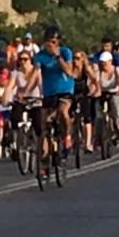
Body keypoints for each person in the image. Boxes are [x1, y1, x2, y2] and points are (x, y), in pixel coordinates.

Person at [33, 26, 75, 178]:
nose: (50, 45)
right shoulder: (40, 56)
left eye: (53, 42)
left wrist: (57, 57)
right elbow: (35, 73)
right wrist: (27, 90)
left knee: (63, 111)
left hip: (65, 89)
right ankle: (43, 163)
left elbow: (69, 71)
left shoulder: (65, 52)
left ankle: (67, 136)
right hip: (49, 92)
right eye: (47, 42)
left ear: (58, 42)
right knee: (44, 128)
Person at [1, 49, 42, 140]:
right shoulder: (16, 73)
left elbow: (40, 85)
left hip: (35, 100)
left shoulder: (37, 71)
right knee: (15, 118)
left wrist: (42, 96)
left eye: (25, 59)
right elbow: (9, 87)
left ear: (30, 60)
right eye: (20, 59)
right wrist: (5, 98)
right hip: (21, 100)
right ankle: (15, 140)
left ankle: (38, 142)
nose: (23, 62)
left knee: (38, 124)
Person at [72, 50, 99, 153]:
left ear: (82, 59)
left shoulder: (86, 68)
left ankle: (87, 143)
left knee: (87, 118)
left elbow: (94, 79)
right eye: (73, 58)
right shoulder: (70, 68)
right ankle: (72, 138)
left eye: (77, 58)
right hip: (72, 94)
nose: (75, 61)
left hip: (83, 93)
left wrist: (95, 90)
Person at [97, 51, 119, 135]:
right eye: (102, 62)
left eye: (105, 62)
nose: (103, 64)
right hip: (103, 93)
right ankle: (98, 134)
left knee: (115, 102)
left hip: (115, 93)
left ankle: (117, 123)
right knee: (97, 110)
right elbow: (96, 83)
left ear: (110, 61)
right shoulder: (99, 72)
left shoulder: (117, 70)